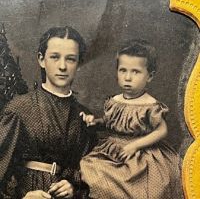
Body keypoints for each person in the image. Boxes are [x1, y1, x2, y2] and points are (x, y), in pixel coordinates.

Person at [0, 26, 96, 199]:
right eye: (54, 57)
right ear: (41, 59)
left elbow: (90, 172)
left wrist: (74, 187)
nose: (62, 66)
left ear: (79, 64)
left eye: (71, 59)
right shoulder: (20, 108)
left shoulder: (84, 116)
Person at [80, 40, 184, 199]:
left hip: (141, 155)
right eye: (123, 70)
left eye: (135, 72)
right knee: (93, 171)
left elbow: (162, 130)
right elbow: (111, 122)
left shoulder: (150, 104)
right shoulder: (114, 101)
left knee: (144, 190)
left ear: (149, 76)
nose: (128, 77)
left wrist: (135, 145)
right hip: (112, 151)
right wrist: (95, 121)